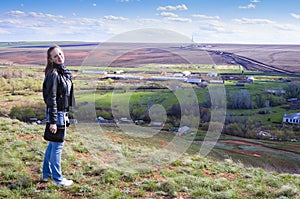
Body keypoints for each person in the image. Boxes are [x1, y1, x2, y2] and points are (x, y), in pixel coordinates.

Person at [42, 45, 74, 187]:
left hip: (61, 113)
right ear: (50, 59)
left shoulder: (64, 72)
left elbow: (66, 96)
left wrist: (66, 113)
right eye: (55, 56)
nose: (59, 57)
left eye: (60, 54)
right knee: (57, 147)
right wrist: (53, 121)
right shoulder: (54, 74)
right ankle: (58, 179)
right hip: (56, 114)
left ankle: (46, 174)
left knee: (52, 144)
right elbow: (52, 98)